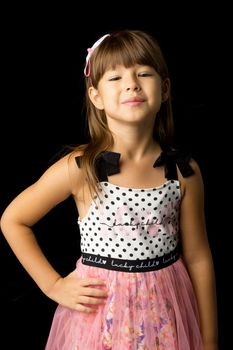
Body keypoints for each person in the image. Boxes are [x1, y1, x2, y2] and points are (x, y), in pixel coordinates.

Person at [0, 30, 218, 349]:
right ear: (96, 97)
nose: (131, 83)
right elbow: (14, 220)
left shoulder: (183, 171)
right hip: (101, 319)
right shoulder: (82, 168)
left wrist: (209, 338)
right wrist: (54, 285)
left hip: (166, 316)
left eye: (143, 73)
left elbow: (197, 257)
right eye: (115, 77)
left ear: (165, 88)